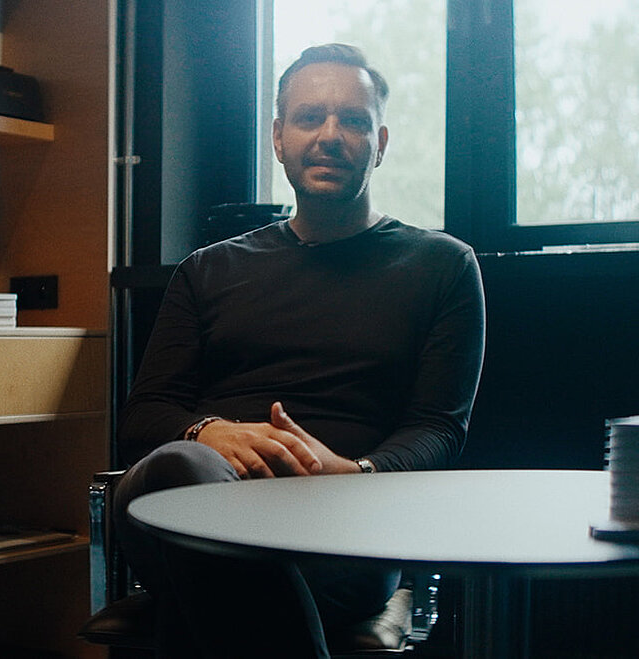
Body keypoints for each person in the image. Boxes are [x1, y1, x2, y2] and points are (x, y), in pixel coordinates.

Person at [113, 43, 486, 658]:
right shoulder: (208, 270)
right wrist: (206, 432)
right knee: (182, 469)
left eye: (354, 120)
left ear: (381, 142)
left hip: (342, 531)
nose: (331, 136)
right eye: (310, 118)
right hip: (183, 504)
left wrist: (356, 474)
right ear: (279, 138)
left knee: (213, 585)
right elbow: (142, 420)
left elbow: (438, 429)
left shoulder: (442, 266)